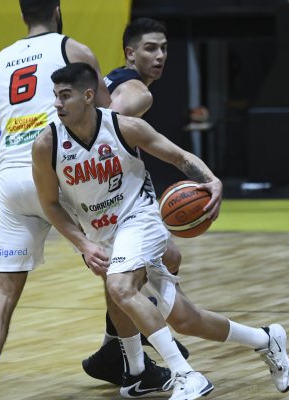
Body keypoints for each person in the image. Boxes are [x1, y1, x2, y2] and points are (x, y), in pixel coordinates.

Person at [31, 62, 289, 399]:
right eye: (55, 96)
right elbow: (50, 204)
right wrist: (82, 243)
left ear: (87, 96)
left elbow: (178, 156)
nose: (57, 103)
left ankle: (187, 376)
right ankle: (265, 339)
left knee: (120, 286)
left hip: (140, 219)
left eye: (64, 96)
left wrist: (210, 180)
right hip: (101, 234)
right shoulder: (46, 145)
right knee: (185, 319)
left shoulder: (125, 128)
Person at [0, 1, 120, 399]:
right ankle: (129, 360)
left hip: (11, 176)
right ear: (58, 9)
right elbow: (103, 114)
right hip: (60, 170)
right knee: (117, 267)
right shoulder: (72, 50)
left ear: (22, 13)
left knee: (4, 289)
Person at [82, 17, 191, 387]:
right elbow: (104, 126)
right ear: (130, 53)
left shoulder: (116, 80)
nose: (159, 56)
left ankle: (120, 347)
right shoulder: (139, 93)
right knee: (129, 273)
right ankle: (134, 349)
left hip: (93, 188)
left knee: (164, 258)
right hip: (96, 192)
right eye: (150, 48)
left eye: (164, 49)